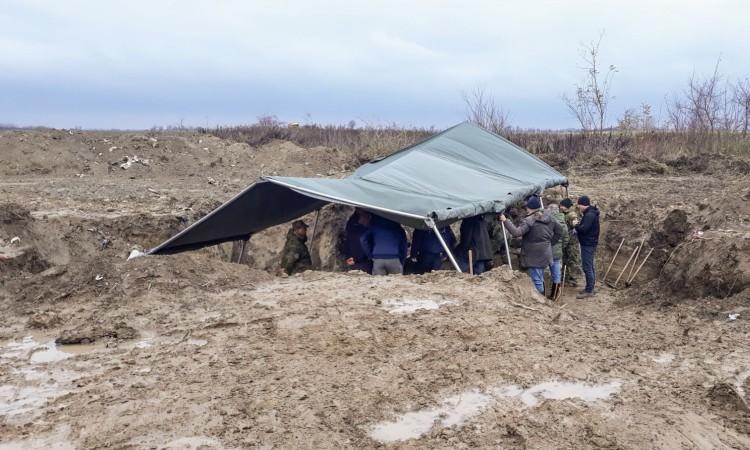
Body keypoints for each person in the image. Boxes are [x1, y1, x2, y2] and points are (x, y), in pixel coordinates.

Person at [500, 196, 562, 294]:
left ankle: (540, 301)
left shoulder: (530, 221)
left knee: (537, 280)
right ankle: (544, 297)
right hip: (546, 252)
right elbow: (559, 231)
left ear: (529, 208)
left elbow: (516, 233)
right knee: (540, 277)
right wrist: (550, 243)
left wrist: (505, 221)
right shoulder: (549, 217)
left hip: (534, 255)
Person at [572, 195, 600, 298]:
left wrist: (576, 225)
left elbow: (584, 229)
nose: (578, 207)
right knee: (590, 266)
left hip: (588, 244)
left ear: (583, 204)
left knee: (587, 267)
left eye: (579, 204)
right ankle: (590, 287)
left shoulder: (589, 215)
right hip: (590, 243)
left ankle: (589, 291)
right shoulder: (591, 213)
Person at [546, 202, 569, 299]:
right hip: (557, 251)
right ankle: (555, 294)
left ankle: (541, 292)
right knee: (556, 272)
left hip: (545, 251)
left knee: (540, 270)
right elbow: (566, 239)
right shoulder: (563, 223)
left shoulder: (547, 221)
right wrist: (560, 247)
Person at [559, 198, 582, 287]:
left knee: (572, 260)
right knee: (565, 259)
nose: (560, 207)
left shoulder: (572, 215)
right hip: (567, 241)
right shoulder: (565, 214)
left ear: (565, 206)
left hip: (572, 242)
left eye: (561, 205)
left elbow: (575, 224)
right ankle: (566, 277)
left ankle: (572, 279)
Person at [343, 209, 373, 273]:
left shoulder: (351, 222)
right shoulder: (365, 228)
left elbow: (347, 240)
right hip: (362, 261)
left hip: (355, 259)